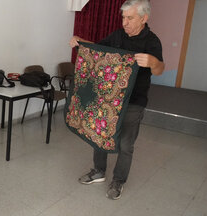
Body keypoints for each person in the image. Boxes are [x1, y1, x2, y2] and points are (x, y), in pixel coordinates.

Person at [70, 0, 164, 200]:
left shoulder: (152, 42)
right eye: (123, 17)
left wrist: (153, 61)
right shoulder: (117, 36)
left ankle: (118, 181)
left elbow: (159, 69)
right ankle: (98, 171)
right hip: (109, 99)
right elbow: (97, 51)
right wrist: (80, 41)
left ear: (144, 18)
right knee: (99, 133)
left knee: (126, 144)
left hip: (134, 101)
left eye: (130, 18)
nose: (125, 22)